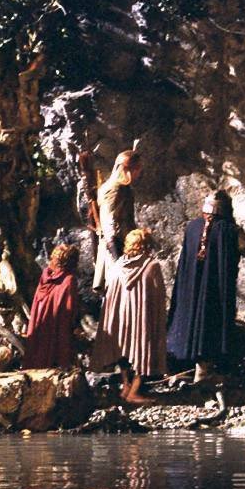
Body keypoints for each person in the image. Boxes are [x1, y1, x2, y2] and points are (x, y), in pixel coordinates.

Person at [166, 190, 245, 383]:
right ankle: (204, 372)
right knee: (212, 323)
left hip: (189, 293)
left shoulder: (192, 228)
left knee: (192, 322)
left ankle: (188, 366)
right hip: (215, 292)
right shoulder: (230, 231)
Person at [91, 228, 167, 402]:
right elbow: (158, 294)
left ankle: (126, 386)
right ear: (146, 245)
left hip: (120, 319)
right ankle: (134, 391)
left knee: (123, 351)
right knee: (143, 349)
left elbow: (110, 292)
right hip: (141, 318)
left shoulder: (118, 266)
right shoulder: (151, 266)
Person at [23, 243, 80, 369]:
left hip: (40, 322)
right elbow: (69, 309)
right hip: (57, 325)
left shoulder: (45, 276)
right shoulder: (69, 280)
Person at [93, 150, 142, 292]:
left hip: (118, 245)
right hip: (116, 247)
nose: (139, 173)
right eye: (137, 168)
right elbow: (110, 223)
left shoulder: (116, 187)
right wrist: (118, 258)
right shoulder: (117, 188)